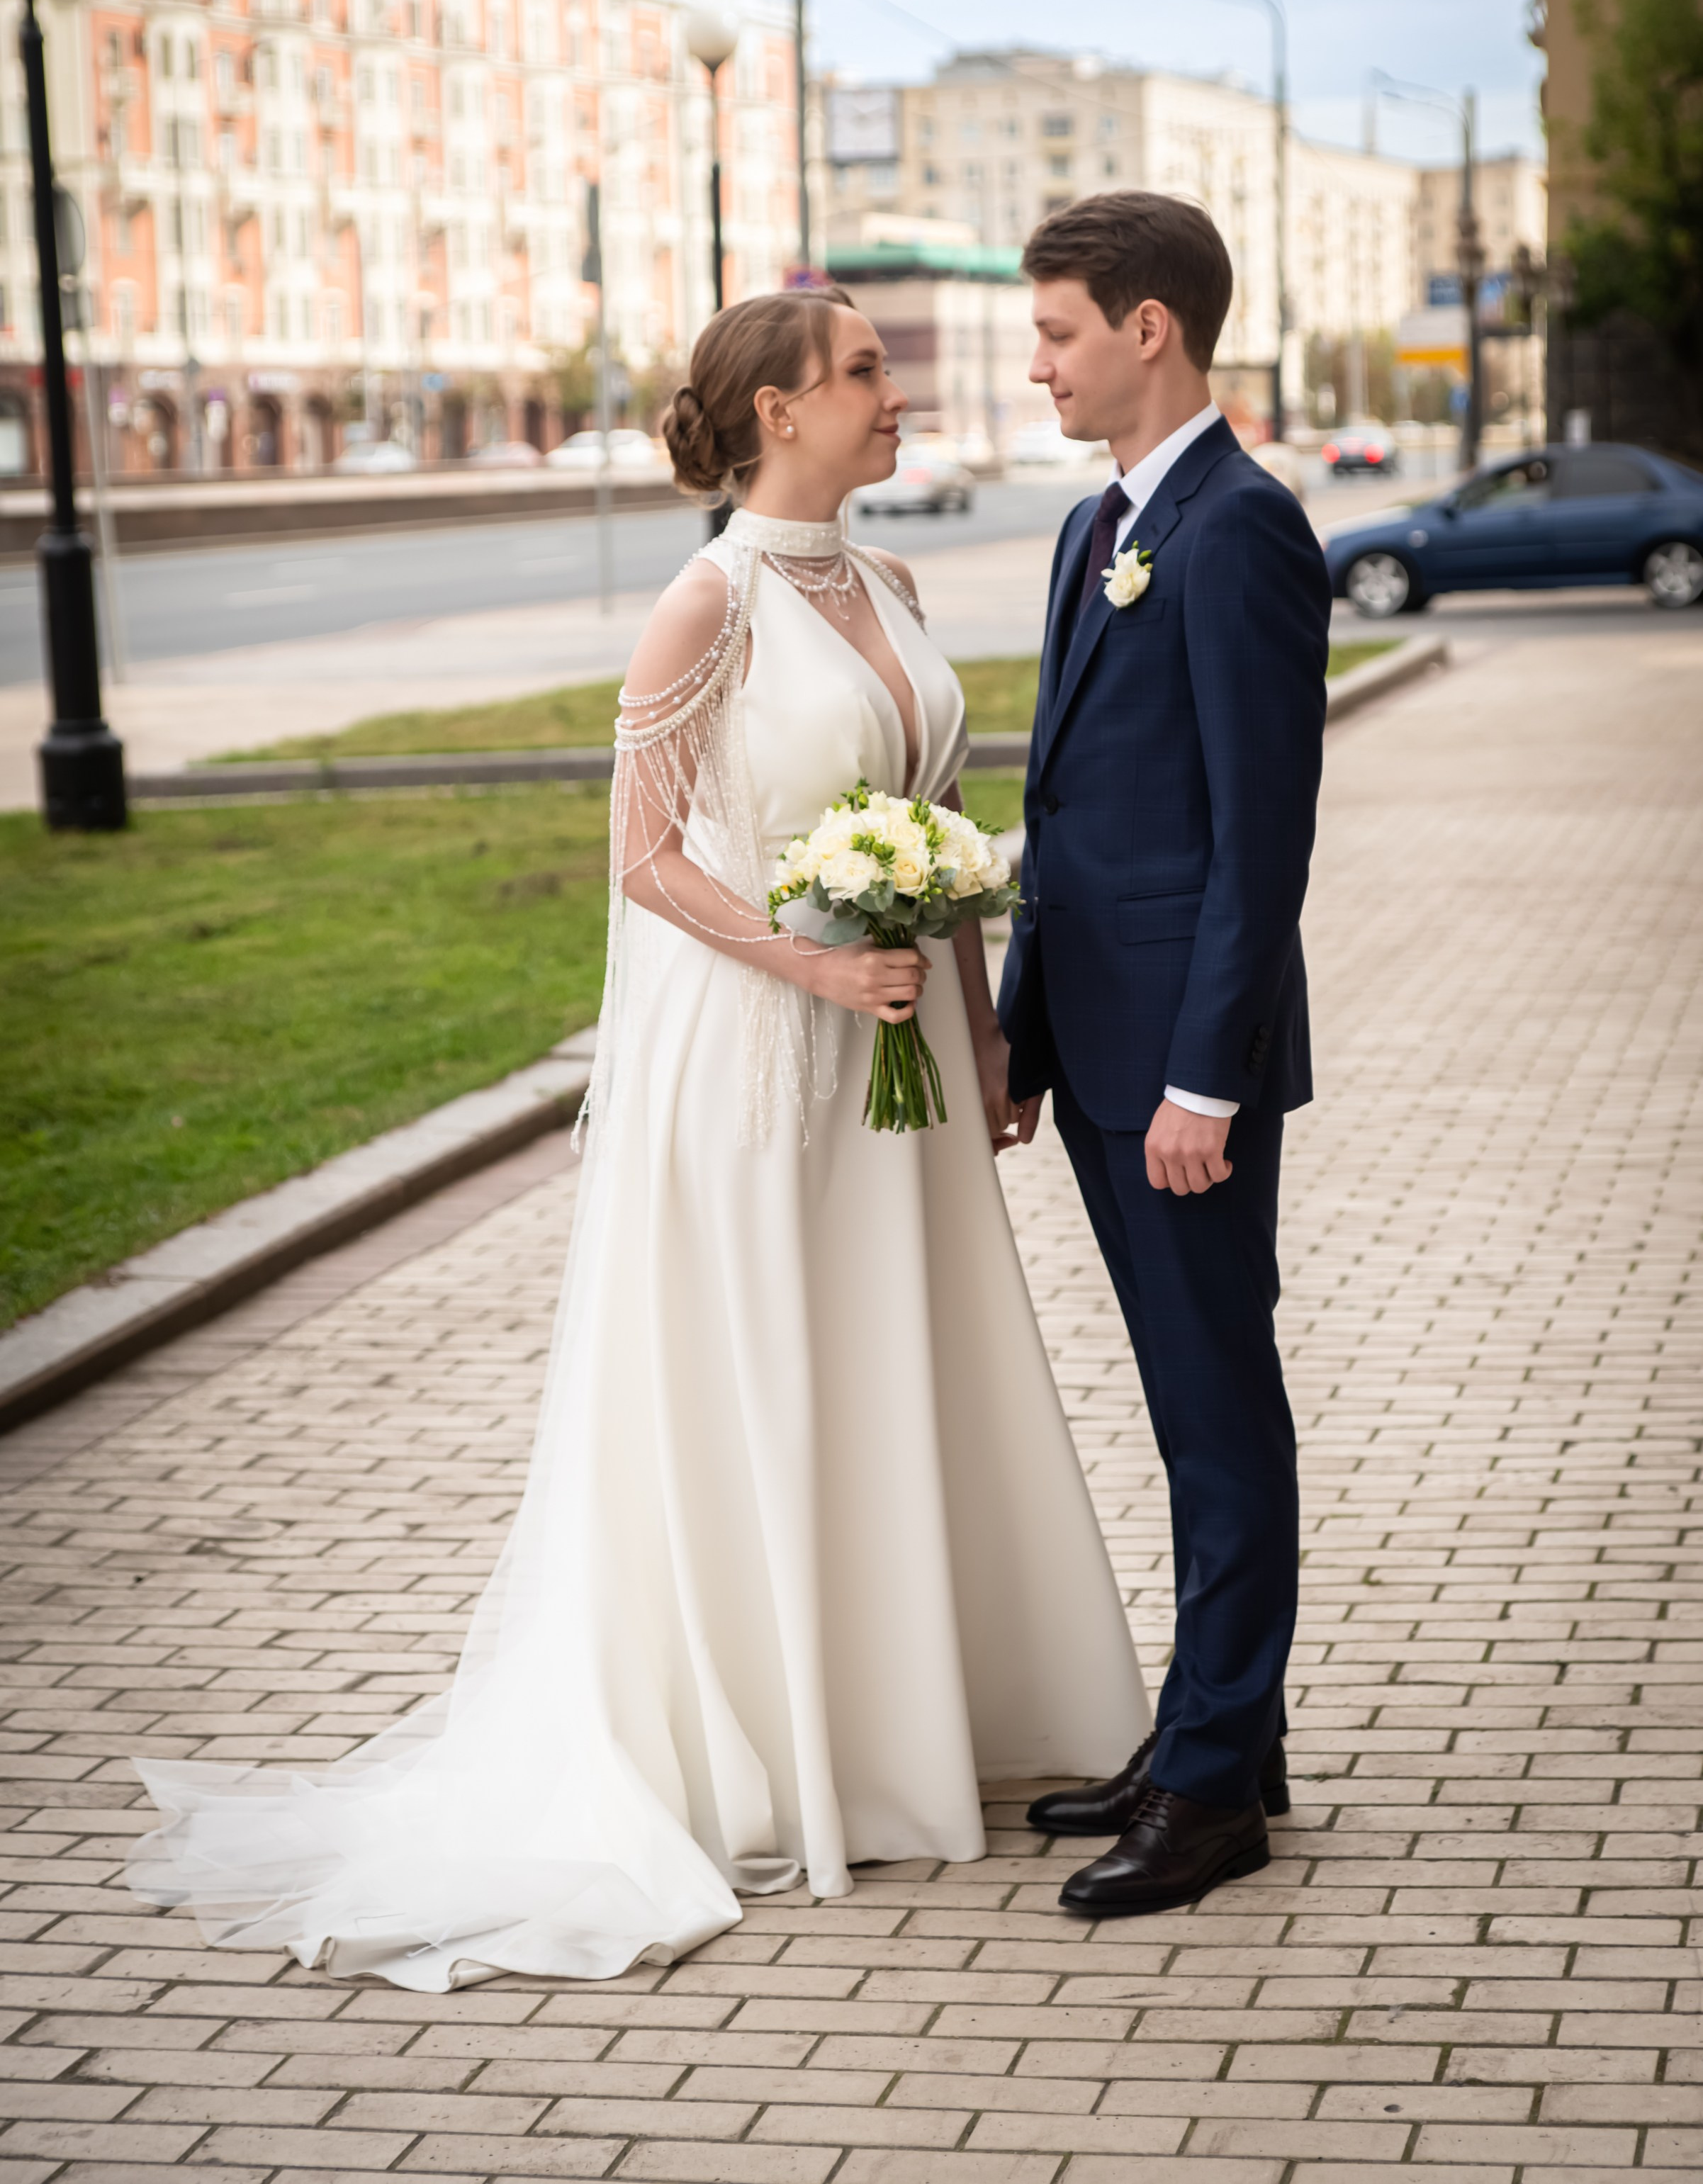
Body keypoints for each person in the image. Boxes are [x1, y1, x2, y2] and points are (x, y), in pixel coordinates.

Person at [125, 286, 1147, 1990]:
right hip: (757, 1052)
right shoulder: (704, 604)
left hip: (892, 1058)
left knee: (900, 1359)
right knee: (771, 1368)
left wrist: (973, 1030)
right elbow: (646, 857)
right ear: (771, 414)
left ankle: (913, 1713)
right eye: (864, 375)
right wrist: (810, 964)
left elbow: (943, 824)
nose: (896, 397)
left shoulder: (887, 584)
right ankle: (772, 1743)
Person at [999, 192, 1331, 1916]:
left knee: (1215, 1413)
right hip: (1102, 1058)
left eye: (1055, 330)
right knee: (1178, 1402)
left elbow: (1254, 841)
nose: (1033, 361)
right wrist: (1020, 1036)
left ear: (1147, 330)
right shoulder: (1093, 532)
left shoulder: (1239, 527)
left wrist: (1203, 1078)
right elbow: (1067, 813)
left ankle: (1211, 1793)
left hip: (1183, 1083)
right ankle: (1219, 1731)